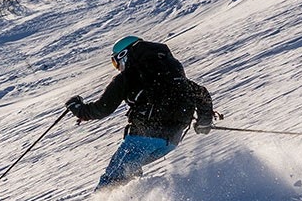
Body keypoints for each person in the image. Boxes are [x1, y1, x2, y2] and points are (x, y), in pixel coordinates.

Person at [66, 36, 217, 189]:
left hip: (144, 137)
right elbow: (201, 94)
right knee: (129, 168)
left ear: (123, 55)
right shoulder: (171, 73)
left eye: (115, 62)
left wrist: (79, 109)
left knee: (115, 174)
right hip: (170, 141)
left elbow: (102, 109)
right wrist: (204, 122)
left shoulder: (127, 77)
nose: (118, 67)